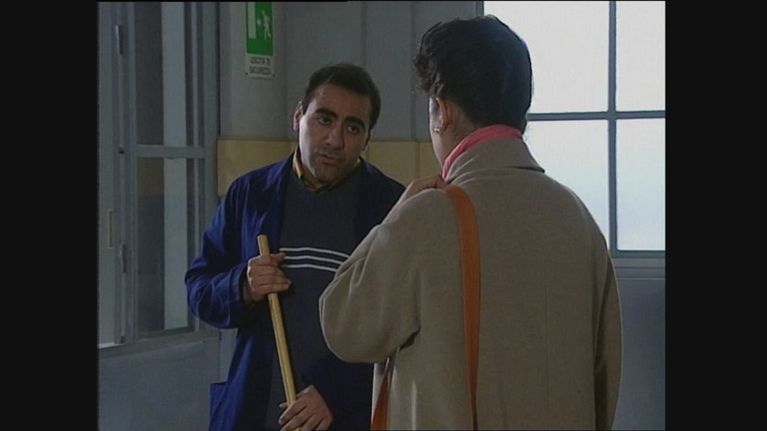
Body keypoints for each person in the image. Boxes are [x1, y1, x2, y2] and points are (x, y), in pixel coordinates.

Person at [319, 16, 622, 430]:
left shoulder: (427, 216)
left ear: (441, 112)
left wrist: (393, 220)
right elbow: (605, 375)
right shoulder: (578, 218)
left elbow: (344, 325)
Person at [186, 63, 405, 431]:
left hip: (346, 416)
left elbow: (400, 323)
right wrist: (243, 286)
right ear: (298, 116)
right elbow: (199, 289)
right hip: (255, 412)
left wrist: (335, 390)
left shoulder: (390, 208)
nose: (335, 140)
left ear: (368, 138)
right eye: (324, 119)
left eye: (353, 128)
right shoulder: (251, 194)